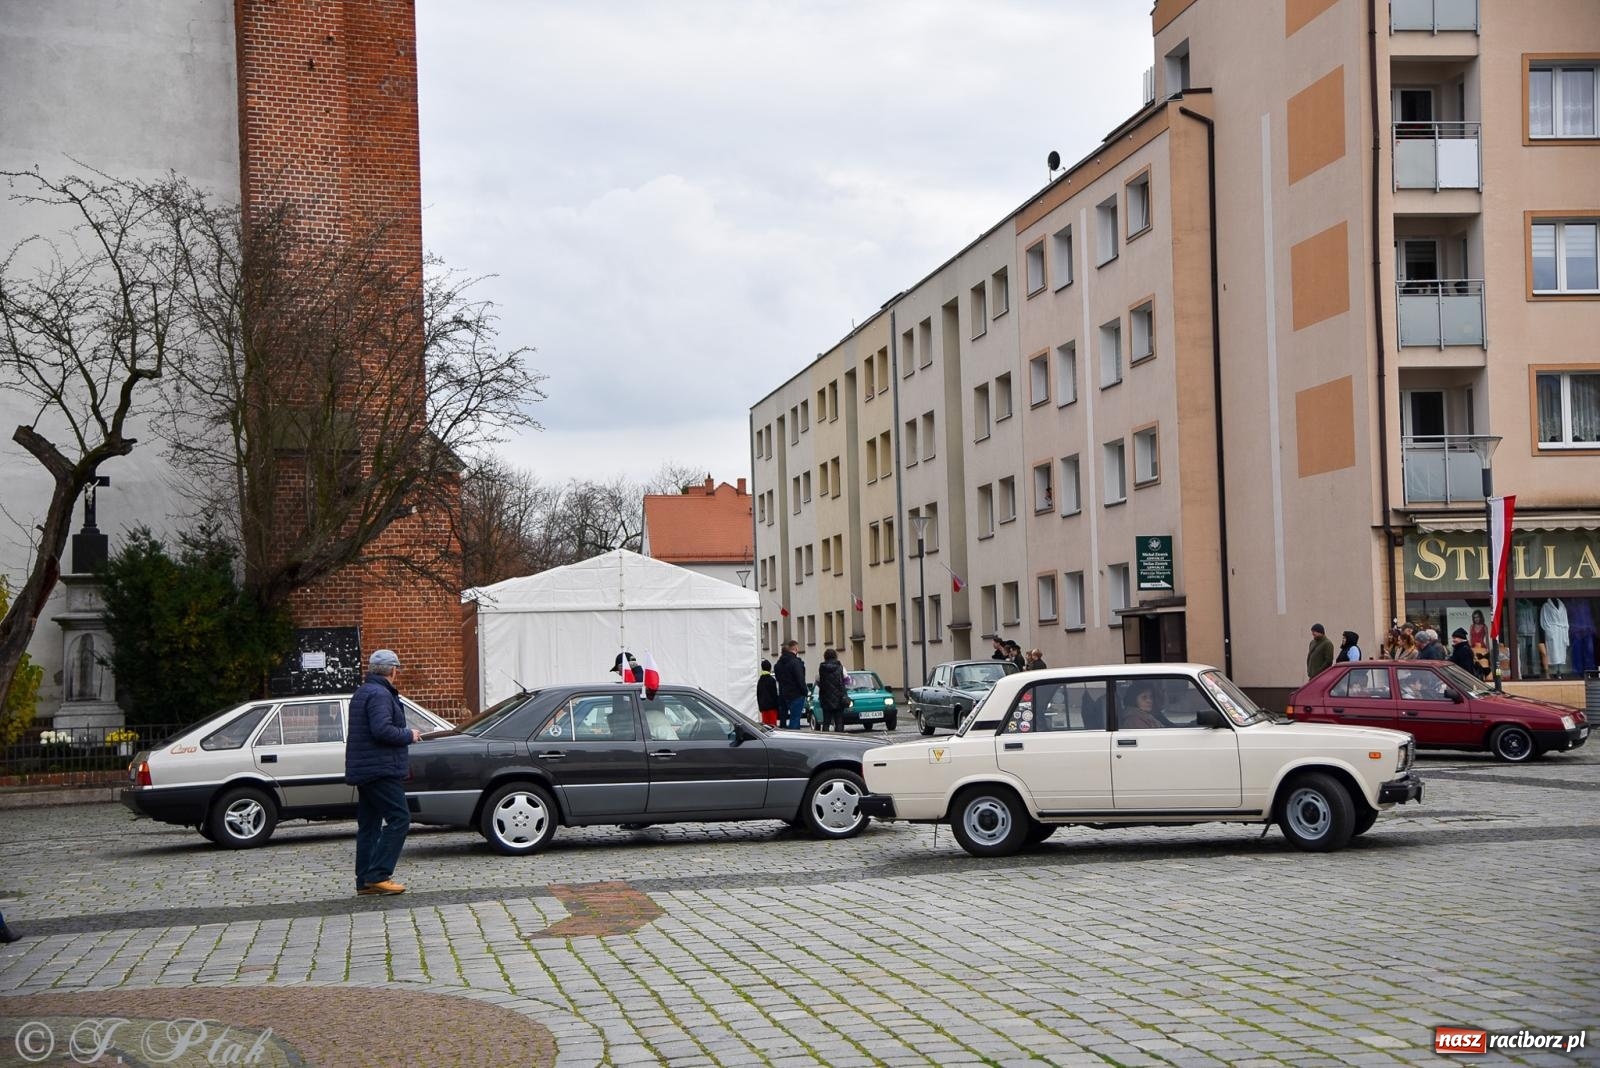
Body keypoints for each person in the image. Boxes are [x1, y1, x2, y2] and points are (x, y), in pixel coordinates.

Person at [344, 649, 420, 897]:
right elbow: (382, 730)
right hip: (380, 769)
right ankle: (378, 875)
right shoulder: (379, 694)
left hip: (367, 768)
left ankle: (364, 881)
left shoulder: (364, 691)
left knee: (370, 825)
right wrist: (409, 735)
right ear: (393, 670)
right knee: (400, 819)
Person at [775, 640, 807, 729]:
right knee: (795, 719)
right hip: (796, 694)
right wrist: (805, 691)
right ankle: (793, 739)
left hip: (783, 694)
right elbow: (800, 679)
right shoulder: (795, 662)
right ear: (796, 648)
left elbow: (778, 679)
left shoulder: (778, 664)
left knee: (784, 719)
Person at [816, 648, 849, 732]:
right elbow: (847, 680)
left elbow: (818, 681)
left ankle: (827, 738)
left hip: (825, 698)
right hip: (839, 697)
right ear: (835, 656)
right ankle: (839, 738)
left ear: (825, 657)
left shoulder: (821, 668)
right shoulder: (841, 667)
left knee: (826, 721)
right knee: (839, 721)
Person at [756, 659, 780, 727]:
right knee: (773, 727)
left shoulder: (760, 681)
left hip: (763, 708)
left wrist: (760, 707)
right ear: (770, 668)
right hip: (772, 708)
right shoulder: (772, 680)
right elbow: (774, 695)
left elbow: (758, 694)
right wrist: (777, 707)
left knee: (765, 727)